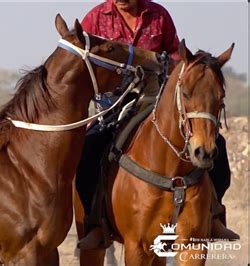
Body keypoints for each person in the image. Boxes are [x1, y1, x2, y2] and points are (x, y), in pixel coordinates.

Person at [76, 0, 239, 250]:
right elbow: (84, 61)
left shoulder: (159, 16)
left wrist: (163, 68)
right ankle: (95, 223)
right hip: (115, 102)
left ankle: (214, 216)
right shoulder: (95, 18)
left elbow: (176, 57)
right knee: (91, 146)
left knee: (217, 144)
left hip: (157, 96)